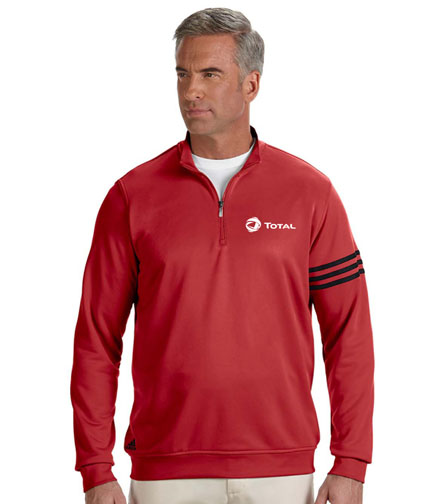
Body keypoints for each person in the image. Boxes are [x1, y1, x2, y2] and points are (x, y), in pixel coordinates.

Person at [70, 7, 374, 504]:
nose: (191, 90)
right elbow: (96, 340)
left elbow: (348, 335)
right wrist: (95, 468)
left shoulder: (310, 193)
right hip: (165, 472)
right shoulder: (131, 196)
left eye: (210, 74)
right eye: (182, 73)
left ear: (251, 84)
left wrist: (351, 463)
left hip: (281, 470)